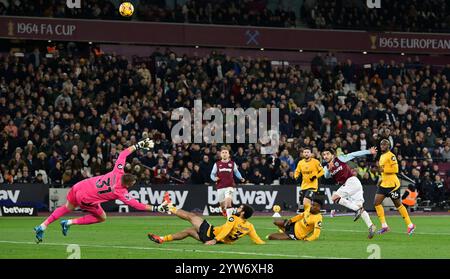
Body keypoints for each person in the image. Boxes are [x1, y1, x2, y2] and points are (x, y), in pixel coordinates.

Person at [33, 138, 168, 243]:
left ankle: (44, 226)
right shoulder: (120, 192)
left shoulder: (118, 170)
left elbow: (123, 153)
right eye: (132, 183)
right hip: (86, 199)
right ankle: (70, 222)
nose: (133, 184)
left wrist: (140, 144)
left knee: (66, 207)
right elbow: (137, 205)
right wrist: (157, 208)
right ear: (128, 184)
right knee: (102, 217)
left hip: (80, 186)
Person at [148, 194, 265, 245]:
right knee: (189, 231)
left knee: (192, 216)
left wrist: (215, 240)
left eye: (240, 208)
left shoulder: (233, 219)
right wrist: (265, 243)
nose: (238, 208)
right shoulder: (249, 226)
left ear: (242, 212)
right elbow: (257, 240)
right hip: (215, 238)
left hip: (211, 234)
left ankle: (169, 206)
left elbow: (227, 230)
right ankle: (162, 239)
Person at [322, 147, 378, 239]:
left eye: (327, 154)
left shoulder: (340, 159)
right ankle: (371, 226)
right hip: (352, 185)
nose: (325, 156)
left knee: (334, 197)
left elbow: (354, 154)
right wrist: (329, 169)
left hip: (351, 181)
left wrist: (368, 151)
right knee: (360, 207)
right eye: (324, 155)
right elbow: (326, 176)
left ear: (332, 154)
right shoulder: (326, 167)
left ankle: (357, 210)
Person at [375, 139, 415, 235]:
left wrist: (383, 169)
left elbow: (395, 169)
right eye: (381, 144)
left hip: (392, 185)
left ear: (388, 146)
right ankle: (384, 226)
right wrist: (380, 178)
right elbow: (382, 171)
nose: (382, 146)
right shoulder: (381, 156)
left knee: (398, 205)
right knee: (376, 203)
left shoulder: (391, 156)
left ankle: (410, 225)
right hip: (384, 183)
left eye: (384, 144)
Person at [210, 145, 245, 218]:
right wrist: (214, 178)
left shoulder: (232, 163)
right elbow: (212, 174)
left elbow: (236, 172)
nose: (224, 154)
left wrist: (241, 177)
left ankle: (230, 219)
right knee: (222, 205)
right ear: (220, 154)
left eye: (226, 152)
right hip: (220, 187)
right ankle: (223, 210)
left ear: (228, 154)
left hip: (230, 186)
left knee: (228, 203)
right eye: (223, 152)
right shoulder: (217, 164)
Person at [294, 147, 324, 212]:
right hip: (304, 186)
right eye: (305, 152)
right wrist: (296, 177)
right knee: (306, 204)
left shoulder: (315, 162)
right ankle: (311, 216)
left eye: (308, 152)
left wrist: (315, 176)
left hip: (312, 186)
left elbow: (322, 171)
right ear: (303, 154)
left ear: (310, 154)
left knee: (305, 202)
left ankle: (309, 216)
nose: (306, 154)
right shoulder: (300, 163)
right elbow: (297, 171)